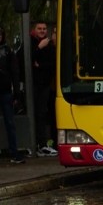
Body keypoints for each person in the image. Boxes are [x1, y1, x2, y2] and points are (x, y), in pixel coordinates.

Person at [31, 21, 57, 157]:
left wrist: (39, 65)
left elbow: (52, 64)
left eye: (44, 29)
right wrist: (38, 49)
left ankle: (42, 144)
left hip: (45, 85)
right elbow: (27, 61)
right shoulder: (32, 44)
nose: (42, 31)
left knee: (42, 113)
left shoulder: (50, 46)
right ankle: (37, 144)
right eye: (39, 28)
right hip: (33, 85)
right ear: (34, 30)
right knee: (36, 113)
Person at [0, 27, 25, 163]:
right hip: (5, 91)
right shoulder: (8, 51)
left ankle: (14, 151)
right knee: (9, 122)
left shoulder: (8, 51)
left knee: (10, 122)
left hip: (5, 91)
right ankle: (13, 151)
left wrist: (16, 92)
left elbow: (15, 73)